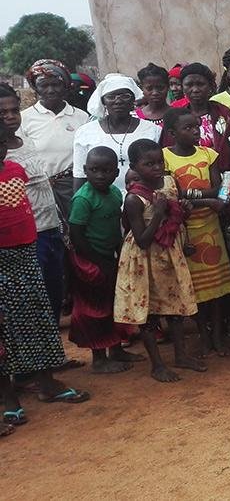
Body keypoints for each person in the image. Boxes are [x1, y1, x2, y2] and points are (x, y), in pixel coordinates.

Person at [0, 127, 91, 425]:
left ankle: (47, 383)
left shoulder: (15, 169)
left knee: (38, 318)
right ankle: (8, 397)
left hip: (26, 251)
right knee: (4, 328)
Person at [114, 138, 203, 382]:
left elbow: (177, 216)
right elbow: (142, 239)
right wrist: (160, 212)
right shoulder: (134, 199)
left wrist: (182, 208)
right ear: (134, 166)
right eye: (148, 164)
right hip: (146, 260)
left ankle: (181, 355)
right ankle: (157, 365)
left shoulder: (169, 182)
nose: (156, 168)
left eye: (159, 162)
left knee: (175, 308)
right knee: (150, 313)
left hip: (170, 254)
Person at [162, 107, 230, 355]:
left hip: (209, 228)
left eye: (197, 127)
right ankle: (203, 335)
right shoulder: (164, 158)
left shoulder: (208, 154)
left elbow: (218, 189)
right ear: (172, 133)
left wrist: (192, 199)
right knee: (195, 290)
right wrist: (205, 200)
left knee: (215, 290)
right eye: (188, 128)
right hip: (183, 230)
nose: (195, 132)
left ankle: (217, 335)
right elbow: (173, 194)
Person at [68, 147, 142, 372]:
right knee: (95, 310)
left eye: (106, 170)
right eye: (94, 170)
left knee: (113, 304)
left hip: (109, 257)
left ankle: (116, 349)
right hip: (89, 261)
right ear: (85, 170)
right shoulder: (83, 199)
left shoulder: (114, 193)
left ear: (116, 171)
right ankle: (99, 359)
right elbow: (76, 234)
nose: (100, 175)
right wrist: (98, 261)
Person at [1, 85, 65, 327]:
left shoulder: (26, 141)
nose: (9, 116)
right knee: (30, 298)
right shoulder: (1, 154)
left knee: (54, 289)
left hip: (51, 226)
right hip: (25, 237)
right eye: (2, 112)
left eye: (14, 110)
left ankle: (53, 355)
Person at [20, 59, 90, 218]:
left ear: (65, 86)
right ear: (36, 88)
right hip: (37, 187)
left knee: (76, 229)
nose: (50, 90)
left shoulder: (80, 116)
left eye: (56, 84)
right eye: (44, 85)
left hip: (73, 186)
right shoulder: (24, 118)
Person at [73, 74, 161, 194]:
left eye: (125, 96)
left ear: (133, 99)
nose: (118, 101)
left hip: (144, 200)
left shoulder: (152, 130)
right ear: (103, 101)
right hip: (101, 203)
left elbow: (161, 171)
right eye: (111, 96)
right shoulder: (85, 132)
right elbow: (80, 176)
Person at [169, 63, 230, 172]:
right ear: (182, 87)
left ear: (210, 86)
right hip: (186, 174)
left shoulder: (224, 114)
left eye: (200, 84)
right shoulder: (177, 117)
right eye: (189, 85)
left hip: (223, 174)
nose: (195, 89)